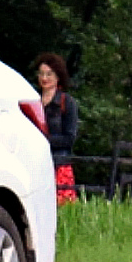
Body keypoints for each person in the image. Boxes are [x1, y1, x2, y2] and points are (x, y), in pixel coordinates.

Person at [35, 52, 80, 204]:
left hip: (59, 165)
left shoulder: (67, 102)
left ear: (58, 76)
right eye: (41, 74)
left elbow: (70, 138)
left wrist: (44, 140)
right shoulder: (33, 101)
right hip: (36, 162)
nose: (44, 78)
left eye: (49, 74)